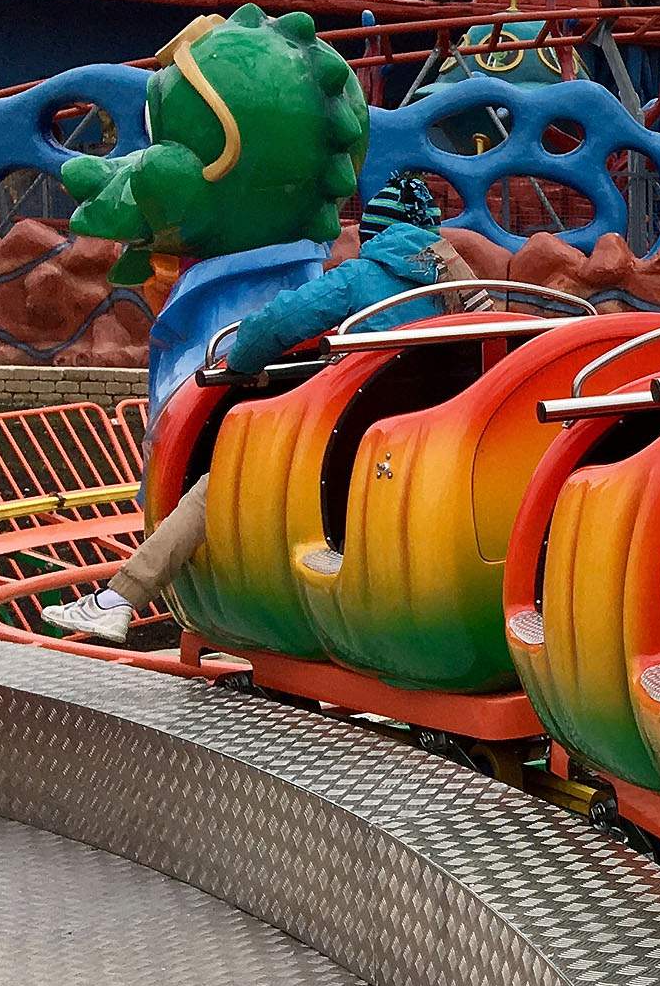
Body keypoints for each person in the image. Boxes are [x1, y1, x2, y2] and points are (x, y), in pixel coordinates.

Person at [44, 176, 477, 644]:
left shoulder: (360, 279)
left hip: (354, 454)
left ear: (375, 234)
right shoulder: (471, 290)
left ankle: (118, 599)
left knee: (227, 480)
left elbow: (273, 325)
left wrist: (243, 363)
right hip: (438, 453)